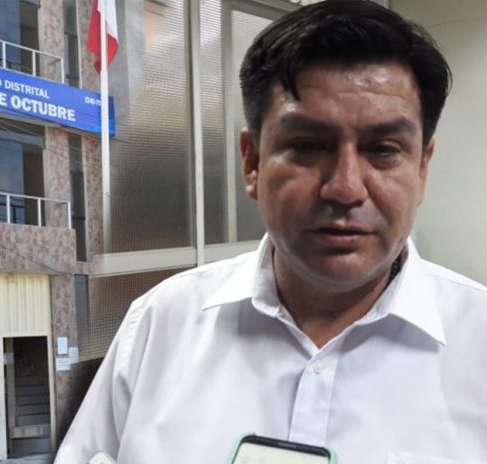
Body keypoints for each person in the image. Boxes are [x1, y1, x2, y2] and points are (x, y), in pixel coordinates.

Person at [56, 1, 487, 463]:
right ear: (252, 162)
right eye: (307, 146)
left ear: (421, 168)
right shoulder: (159, 327)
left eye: (383, 150)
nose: (345, 188)